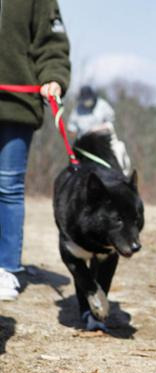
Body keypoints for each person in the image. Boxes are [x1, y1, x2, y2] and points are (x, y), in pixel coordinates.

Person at [0, 0, 70, 300]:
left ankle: (6, 269)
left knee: (8, 186)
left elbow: (51, 40)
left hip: (16, 105)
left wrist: (53, 76)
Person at [68, 85, 132, 176]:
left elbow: (110, 122)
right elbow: (71, 129)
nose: (87, 102)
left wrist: (97, 129)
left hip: (103, 140)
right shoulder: (77, 110)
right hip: (85, 143)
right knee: (73, 159)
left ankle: (121, 176)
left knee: (118, 152)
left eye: (88, 99)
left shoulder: (103, 105)